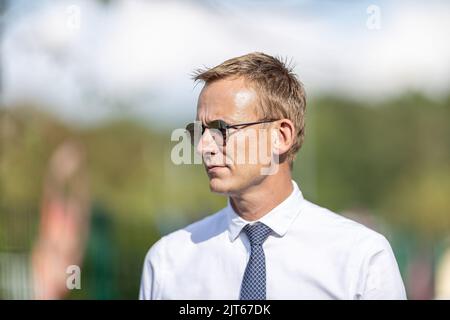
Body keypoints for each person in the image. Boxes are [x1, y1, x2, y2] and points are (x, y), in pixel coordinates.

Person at [139, 52, 406, 300]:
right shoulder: (167, 262)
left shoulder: (361, 258)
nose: (203, 146)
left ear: (281, 137)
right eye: (198, 131)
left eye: (221, 128)